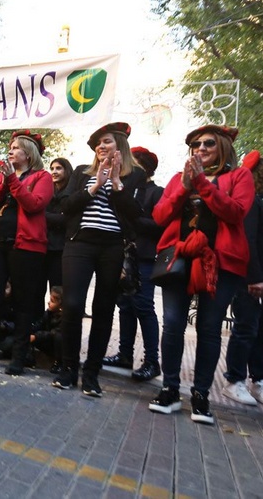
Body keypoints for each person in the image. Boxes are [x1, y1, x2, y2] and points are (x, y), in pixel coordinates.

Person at [148, 125, 253, 425]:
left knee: (208, 328)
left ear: (222, 146)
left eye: (208, 143)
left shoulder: (239, 176)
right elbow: (159, 216)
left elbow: (235, 213)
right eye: (196, 144)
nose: (201, 148)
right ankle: (169, 388)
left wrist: (203, 185)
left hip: (219, 263)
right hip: (178, 259)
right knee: (172, 324)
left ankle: (201, 395)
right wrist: (184, 186)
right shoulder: (176, 180)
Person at [52, 123, 145, 396]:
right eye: (97, 144)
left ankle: (91, 373)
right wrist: (96, 186)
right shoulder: (82, 172)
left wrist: (116, 183)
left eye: (106, 142)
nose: (100, 147)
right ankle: (69, 368)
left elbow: (134, 214)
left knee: (104, 308)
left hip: (112, 247)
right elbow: (66, 208)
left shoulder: (134, 175)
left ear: (119, 146)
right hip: (79, 244)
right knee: (71, 304)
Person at [0, 130, 53, 375]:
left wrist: (13, 182)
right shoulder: (3, 177)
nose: (10, 150)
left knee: (23, 302)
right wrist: (5, 181)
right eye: (10, 146)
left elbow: (35, 204)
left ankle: (19, 356)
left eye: (15, 147)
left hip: (26, 247)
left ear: (28, 153)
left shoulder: (42, 177)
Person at [222, 153, 263, 407]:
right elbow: (247, 240)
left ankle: (260, 380)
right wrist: (254, 277)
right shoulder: (251, 203)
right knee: (246, 328)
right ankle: (235, 381)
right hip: (253, 277)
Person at [104, 146, 163, 382]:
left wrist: (134, 218)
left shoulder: (156, 192)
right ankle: (125, 354)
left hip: (144, 257)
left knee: (143, 306)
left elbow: (159, 225)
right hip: (120, 254)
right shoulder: (123, 190)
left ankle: (152, 361)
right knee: (125, 305)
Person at [44, 156, 73, 295]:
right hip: (46, 245)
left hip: (62, 247)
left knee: (58, 289)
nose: (54, 172)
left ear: (67, 170)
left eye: (58, 168)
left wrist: (45, 216)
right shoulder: (48, 191)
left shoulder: (72, 193)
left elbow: (67, 219)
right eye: (52, 169)